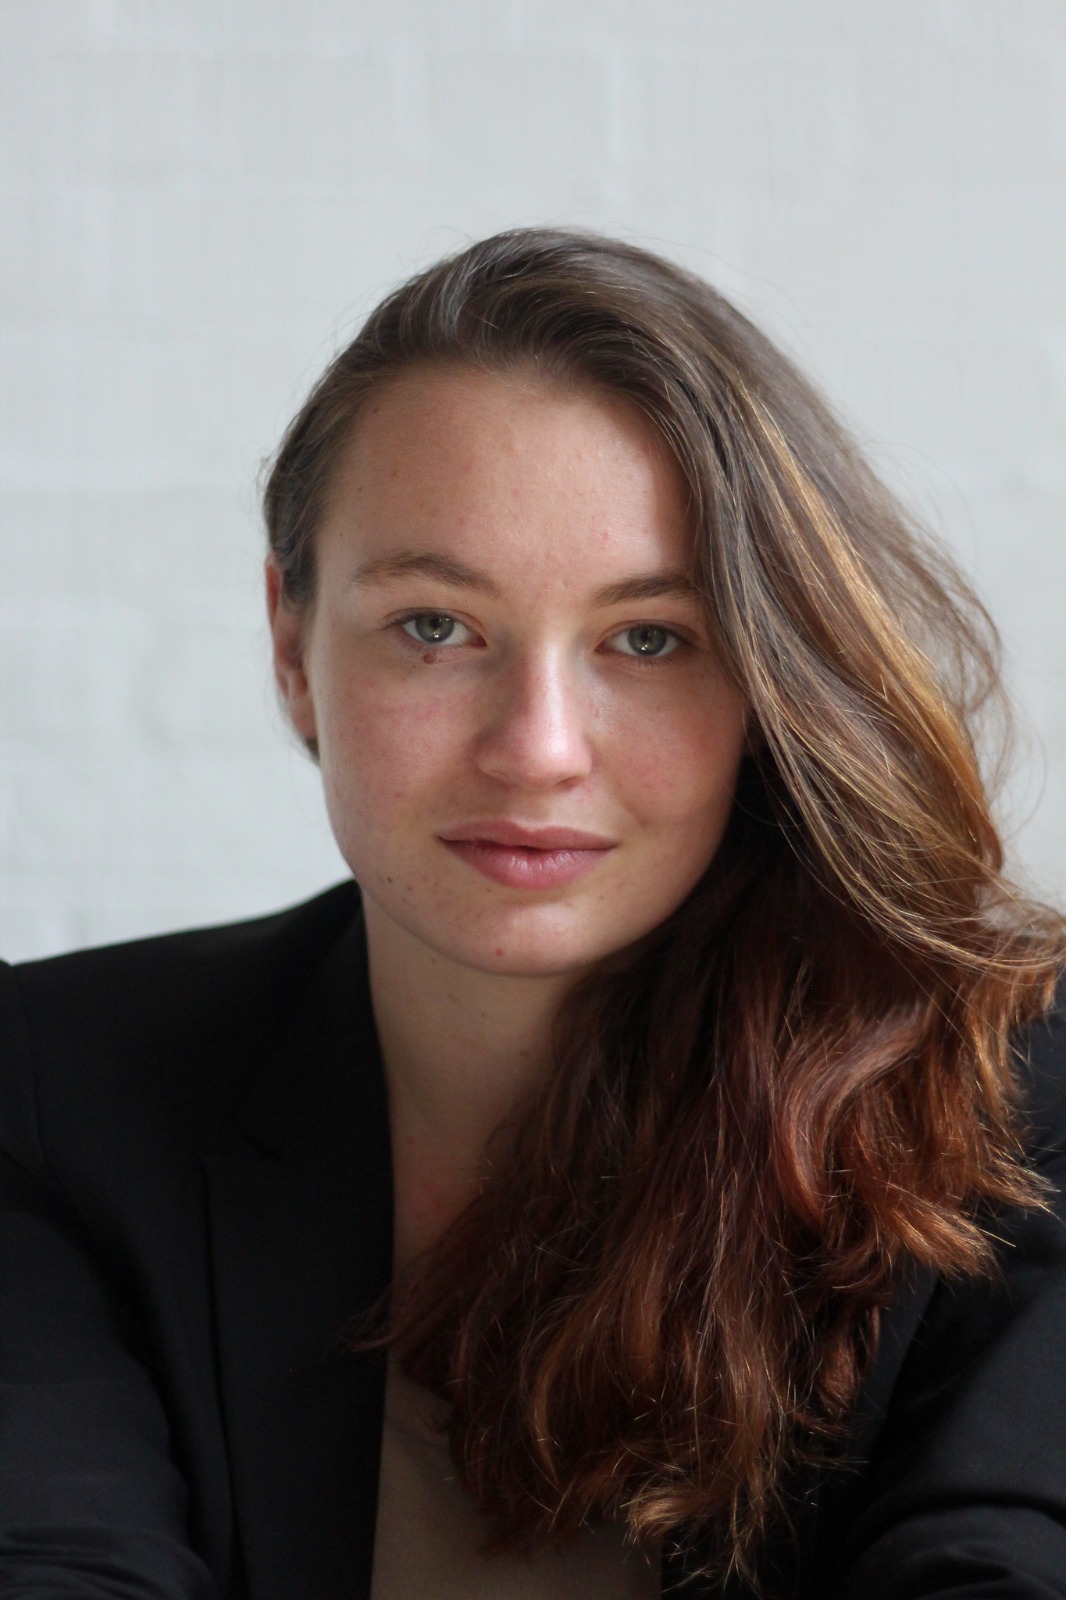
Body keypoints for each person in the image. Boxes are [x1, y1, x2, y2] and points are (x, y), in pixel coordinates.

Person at [1, 228, 1064, 1600]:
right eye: (435, 626)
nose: (537, 748)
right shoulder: (49, 1089)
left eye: (647, 638)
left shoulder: (1007, 1100)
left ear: (764, 678)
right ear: (290, 647)